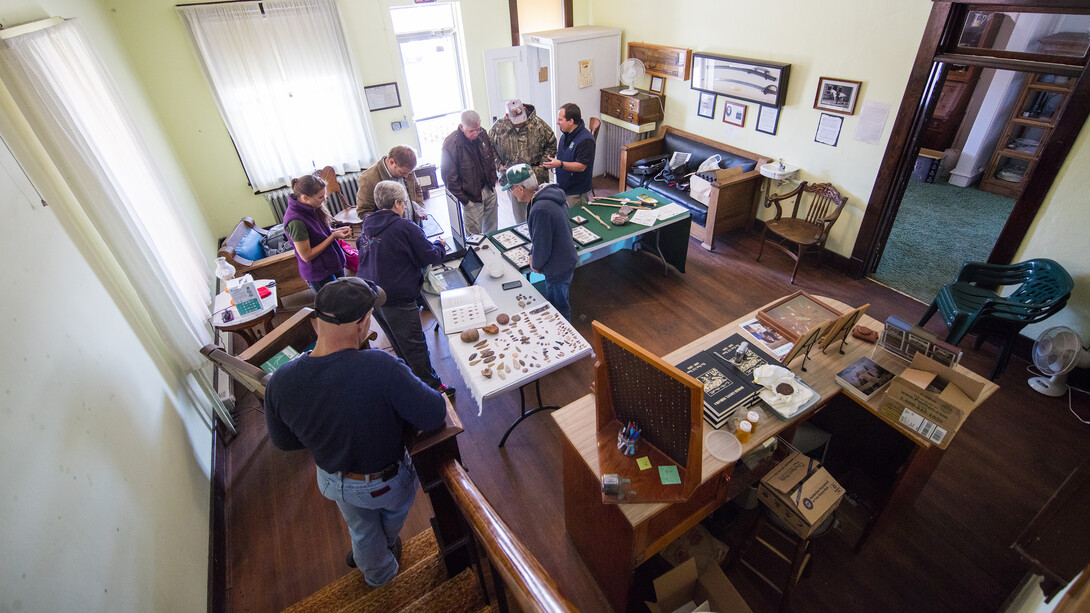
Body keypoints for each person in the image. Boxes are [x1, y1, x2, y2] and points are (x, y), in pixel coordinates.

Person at [265, 277, 446, 587]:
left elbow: (284, 441)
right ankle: (379, 570)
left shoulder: (279, 380)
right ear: (364, 324)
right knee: (382, 523)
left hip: (331, 479)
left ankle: (371, 555)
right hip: (383, 482)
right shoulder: (381, 367)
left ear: (316, 322)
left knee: (360, 525)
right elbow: (434, 413)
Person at [356, 180, 455, 399]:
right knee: (414, 346)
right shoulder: (404, 226)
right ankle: (432, 389)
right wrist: (440, 245)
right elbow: (429, 256)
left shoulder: (368, 223)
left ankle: (410, 380)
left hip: (370, 292)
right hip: (397, 296)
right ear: (399, 203)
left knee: (398, 342)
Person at [503, 163, 576, 320]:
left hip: (557, 266)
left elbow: (543, 246)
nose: (511, 193)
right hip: (564, 259)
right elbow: (541, 237)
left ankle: (565, 338)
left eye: (511, 189)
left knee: (559, 307)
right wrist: (532, 252)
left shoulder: (540, 208)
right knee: (561, 299)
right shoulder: (545, 194)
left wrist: (535, 264)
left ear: (521, 188)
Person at [488, 98, 557, 223]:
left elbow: (551, 144)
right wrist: (499, 165)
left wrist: (542, 166)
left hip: (536, 179)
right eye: (515, 121)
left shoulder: (539, 125)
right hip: (513, 180)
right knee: (521, 218)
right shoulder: (497, 128)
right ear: (507, 115)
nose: (518, 124)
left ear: (524, 110)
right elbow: (489, 149)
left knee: (541, 214)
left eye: (521, 119)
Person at [282, 173, 352, 292]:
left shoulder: (311, 207)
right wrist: (333, 236)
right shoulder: (295, 222)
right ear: (305, 197)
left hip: (331, 263)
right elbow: (306, 255)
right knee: (334, 305)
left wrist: (334, 231)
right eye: (320, 197)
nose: (324, 199)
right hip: (318, 272)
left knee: (346, 295)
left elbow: (317, 234)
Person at [441, 109, 498, 235]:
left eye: (477, 129)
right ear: (461, 127)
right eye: (471, 131)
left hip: (488, 188)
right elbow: (449, 177)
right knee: (474, 235)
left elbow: (490, 159)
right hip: (470, 196)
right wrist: (464, 200)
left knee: (492, 229)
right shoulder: (451, 144)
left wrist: (493, 181)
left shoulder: (483, 134)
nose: (475, 133)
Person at [356, 145, 428, 224]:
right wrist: (388, 226)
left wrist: (419, 208)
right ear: (391, 162)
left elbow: (417, 189)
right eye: (402, 173)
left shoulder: (406, 168)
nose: (406, 176)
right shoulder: (368, 179)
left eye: (408, 173)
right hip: (392, 232)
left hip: (413, 225)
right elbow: (363, 212)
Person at [543, 103, 596, 208]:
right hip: (564, 188)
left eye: (560, 120)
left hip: (576, 193)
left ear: (571, 121)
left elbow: (581, 166)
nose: (557, 123)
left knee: (575, 221)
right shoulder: (565, 134)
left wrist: (560, 164)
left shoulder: (586, 140)